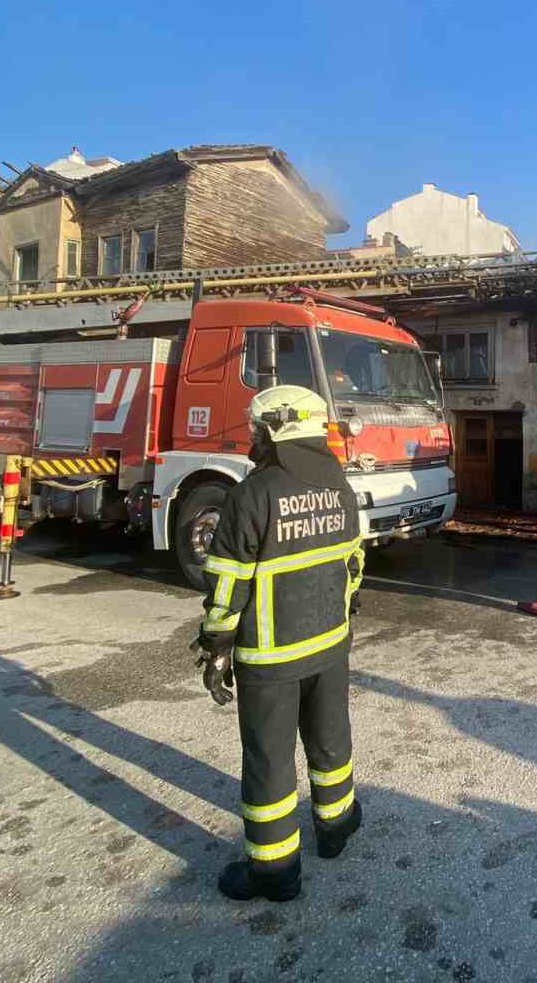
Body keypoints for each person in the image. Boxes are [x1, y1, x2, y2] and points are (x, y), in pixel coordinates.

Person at [194, 384, 366, 904]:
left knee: (269, 761)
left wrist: (217, 642)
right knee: (330, 739)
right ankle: (336, 828)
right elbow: (354, 564)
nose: (251, 437)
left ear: (276, 428)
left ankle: (275, 872)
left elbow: (227, 580)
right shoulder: (339, 484)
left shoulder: (253, 493)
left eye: (255, 428)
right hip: (331, 643)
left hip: (271, 657)